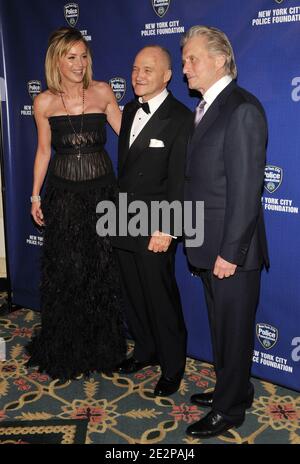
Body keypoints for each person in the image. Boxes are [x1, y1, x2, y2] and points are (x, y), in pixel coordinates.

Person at [181, 26, 269, 437]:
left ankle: (229, 409)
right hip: (208, 244)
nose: (185, 68)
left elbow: (247, 189)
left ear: (220, 60)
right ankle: (233, 388)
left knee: (233, 330)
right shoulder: (206, 109)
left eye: (192, 59)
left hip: (232, 251)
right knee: (222, 327)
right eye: (183, 61)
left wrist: (230, 252)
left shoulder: (241, 109)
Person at [26, 27, 126, 380]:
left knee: (101, 272)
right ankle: (68, 348)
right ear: (57, 60)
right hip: (64, 197)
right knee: (68, 273)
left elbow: (128, 135)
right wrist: (36, 195)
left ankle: (103, 348)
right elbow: (42, 151)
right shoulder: (44, 102)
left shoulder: (102, 92)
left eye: (83, 56)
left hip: (103, 195)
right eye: (71, 57)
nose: (80, 63)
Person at [113, 45, 192, 396]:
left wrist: (171, 228)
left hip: (157, 222)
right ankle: (144, 349)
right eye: (134, 68)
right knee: (131, 292)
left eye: (148, 69)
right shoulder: (129, 109)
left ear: (167, 75)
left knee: (160, 295)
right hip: (122, 216)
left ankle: (173, 366)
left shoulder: (181, 117)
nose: (138, 75)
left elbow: (182, 180)